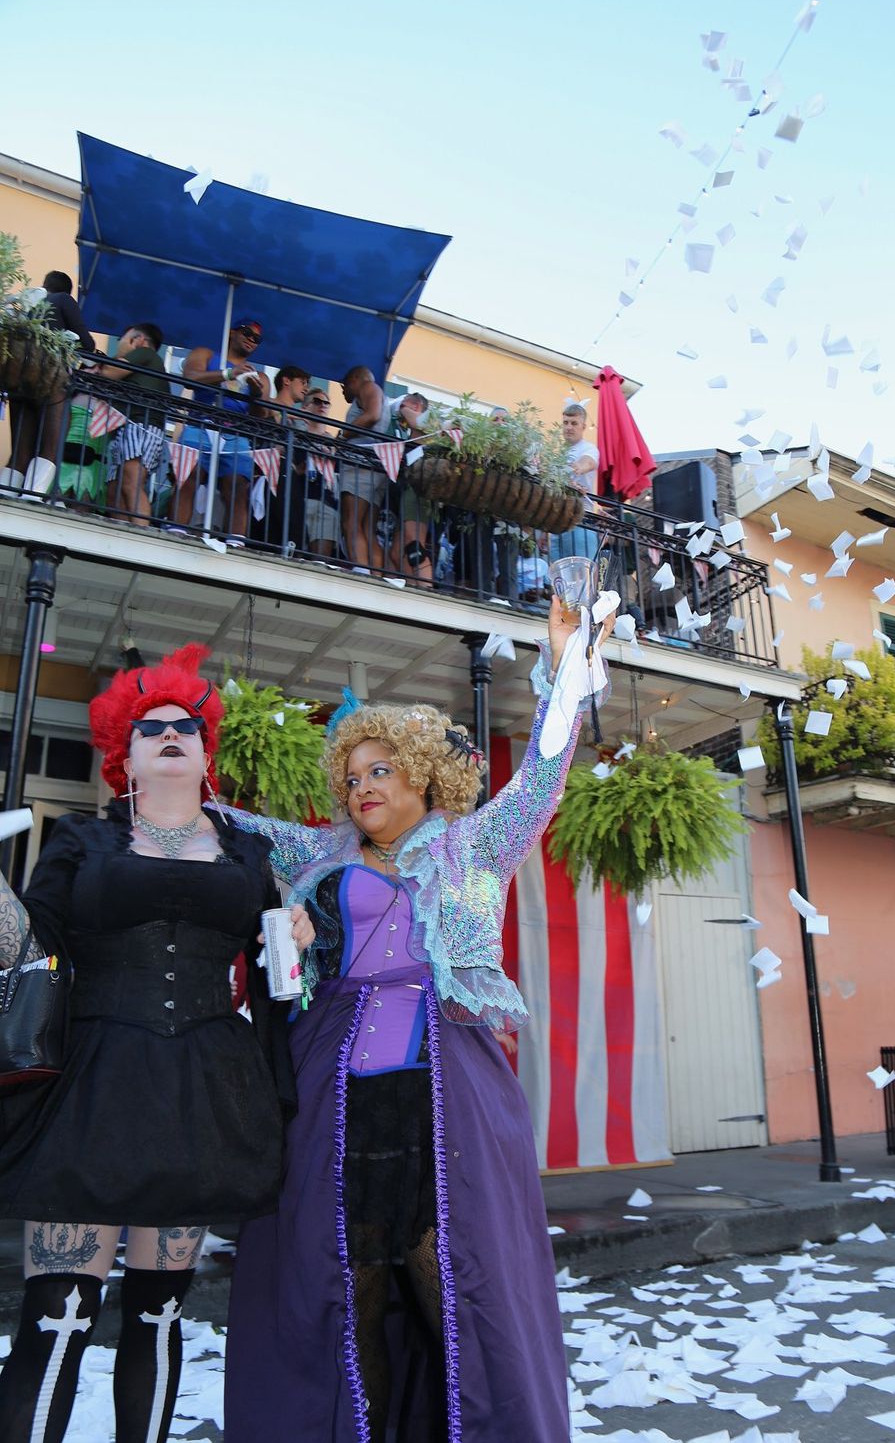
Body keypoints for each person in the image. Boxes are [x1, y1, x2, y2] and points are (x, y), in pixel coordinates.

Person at [221, 595, 613, 1443]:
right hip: (337, 1098)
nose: (363, 788)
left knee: (454, 1287)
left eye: (381, 772)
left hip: (448, 1092)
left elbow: (544, 774)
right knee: (348, 1286)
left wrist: (567, 668)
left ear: (423, 775)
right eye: (353, 776)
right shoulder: (320, 854)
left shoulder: (475, 844)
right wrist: (167, 777)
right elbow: (236, 831)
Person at [0, 645, 312, 1443]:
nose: (170, 734)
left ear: (206, 753)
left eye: (187, 726)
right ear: (124, 754)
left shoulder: (251, 854)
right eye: (151, 727)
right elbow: (33, 946)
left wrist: (303, 939)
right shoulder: (80, 842)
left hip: (204, 1095)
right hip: (94, 1092)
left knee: (160, 1314)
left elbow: (281, 975)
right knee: (58, 1315)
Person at [178, 320, 271, 543]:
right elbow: (189, 378)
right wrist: (229, 373)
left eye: (256, 339)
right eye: (247, 333)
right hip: (200, 423)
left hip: (236, 434)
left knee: (239, 488)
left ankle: (236, 542)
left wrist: (257, 395)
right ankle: (176, 530)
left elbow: (262, 416)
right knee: (188, 477)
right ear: (231, 332)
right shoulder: (206, 354)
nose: (251, 339)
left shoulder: (261, 377)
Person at [8, 272, 98, 474]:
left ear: (44, 284)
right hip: (48, 376)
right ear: (67, 290)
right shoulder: (63, 299)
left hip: (18, 377)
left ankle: (5, 494)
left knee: (20, 452)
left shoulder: (24, 301)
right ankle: (33, 497)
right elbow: (87, 343)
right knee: (50, 448)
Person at [99, 322, 172, 525]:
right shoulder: (146, 361)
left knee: (131, 481)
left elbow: (109, 373)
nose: (119, 343)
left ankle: (142, 535)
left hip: (141, 424)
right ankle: (121, 535)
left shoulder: (144, 353)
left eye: (123, 338)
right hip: (130, 426)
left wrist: (116, 358)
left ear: (138, 340)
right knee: (116, 488)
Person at [339, 365, 394, 571]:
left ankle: (361, 573)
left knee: (350, 522)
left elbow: (373, 415)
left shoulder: (368, 387)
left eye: (344, 385)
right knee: (367, 530)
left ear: (355, 379)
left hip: (360, 463)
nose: (343, 391)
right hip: (376, 465)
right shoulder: (377, 392)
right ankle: (377, 577)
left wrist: (342, 436)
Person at [256, 364, 312, 551]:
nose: (306, 388)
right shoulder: (269, 405)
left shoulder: (301, 420)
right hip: (268, 476)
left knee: (293, 531)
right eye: (302, 382)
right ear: (286, 380)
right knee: (270, 528)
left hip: (291, 480)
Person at [391, 391, 435, 584]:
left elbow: (416, 422)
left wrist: (402, 409)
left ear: (417, 406)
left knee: (415, 543)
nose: (401, 406)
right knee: (397, 550)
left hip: (417, 489)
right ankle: (411, 584)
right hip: (410, 486)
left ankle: (425, 588)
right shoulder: (416, 429)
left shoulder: (425, 422)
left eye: (405, 402)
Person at [549, 399, 600, 561]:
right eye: (565, 422)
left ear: (583, 426)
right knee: (558, 580)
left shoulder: (589, 448)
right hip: (557, 522)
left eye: (574, 423)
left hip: (581, 519)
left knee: (582, 575)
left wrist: (576, 468)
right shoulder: (557, 453)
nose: (569, 427)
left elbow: (588, 462)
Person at [301, 387, 340, 558]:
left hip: (327, 502)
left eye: (326, 403)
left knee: (321, 561)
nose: (322, 405)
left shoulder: (334, 443)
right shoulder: (295, 435)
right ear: (305, 407)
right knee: (296, 555)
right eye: (317, 401)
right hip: (301, 499)